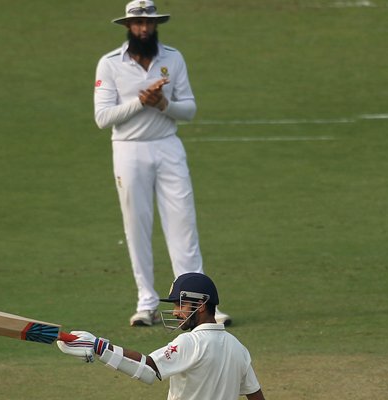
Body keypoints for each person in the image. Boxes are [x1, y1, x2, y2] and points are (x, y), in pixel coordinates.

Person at [94, 0, 231, 327]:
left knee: (184, 223)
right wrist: (141, 102)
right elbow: (102, 118)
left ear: (156, 25)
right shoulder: (110, 63)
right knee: (137, 225)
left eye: (149, 24)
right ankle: (147, 303)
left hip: (168, 146)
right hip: (129, 150)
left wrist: (163, 104)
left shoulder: (173, 57)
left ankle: (198, 304)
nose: (144, 29)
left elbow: (189, 110)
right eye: (138, 24)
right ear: (128, 26)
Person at [57, 273, 266, 400]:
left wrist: (99, 347)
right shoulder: (238, 348)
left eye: (180, 304)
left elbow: (148, 370)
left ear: (201, 305)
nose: (175, 312)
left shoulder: (190, 342)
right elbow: (255, 395)